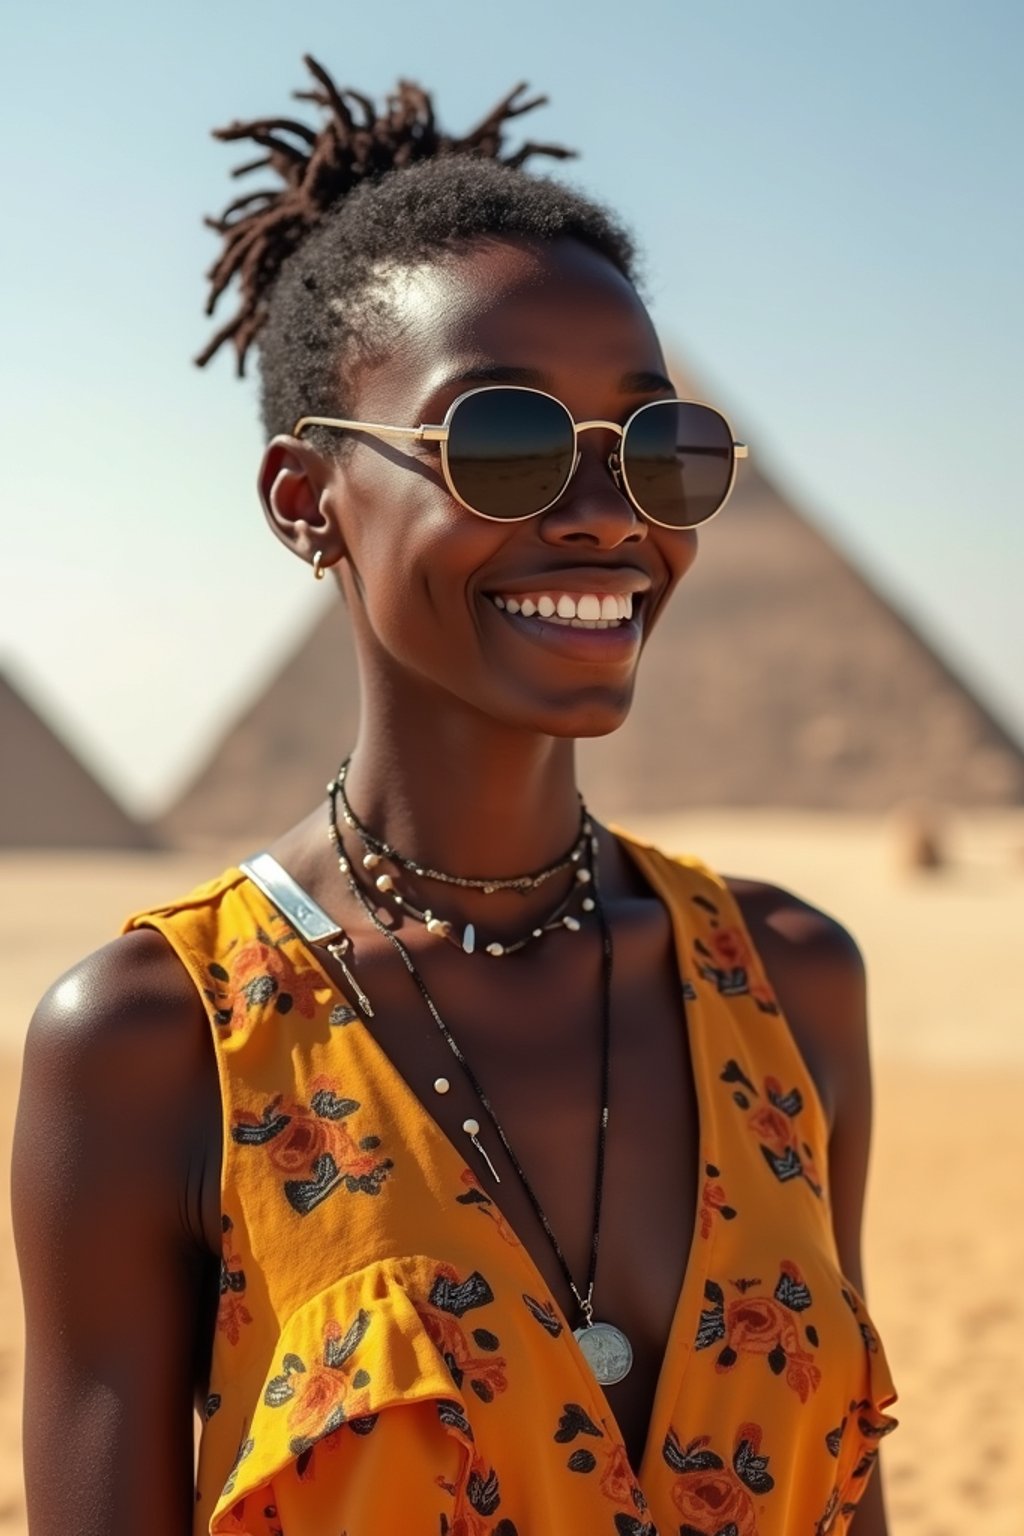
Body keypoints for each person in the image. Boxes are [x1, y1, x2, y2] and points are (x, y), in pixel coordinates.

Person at [12, 59, 898, 1536]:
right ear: (310, 502)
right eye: (504, 442)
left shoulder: (796, 987)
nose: (610, 512)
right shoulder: (160, 1047)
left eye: (659, 448)